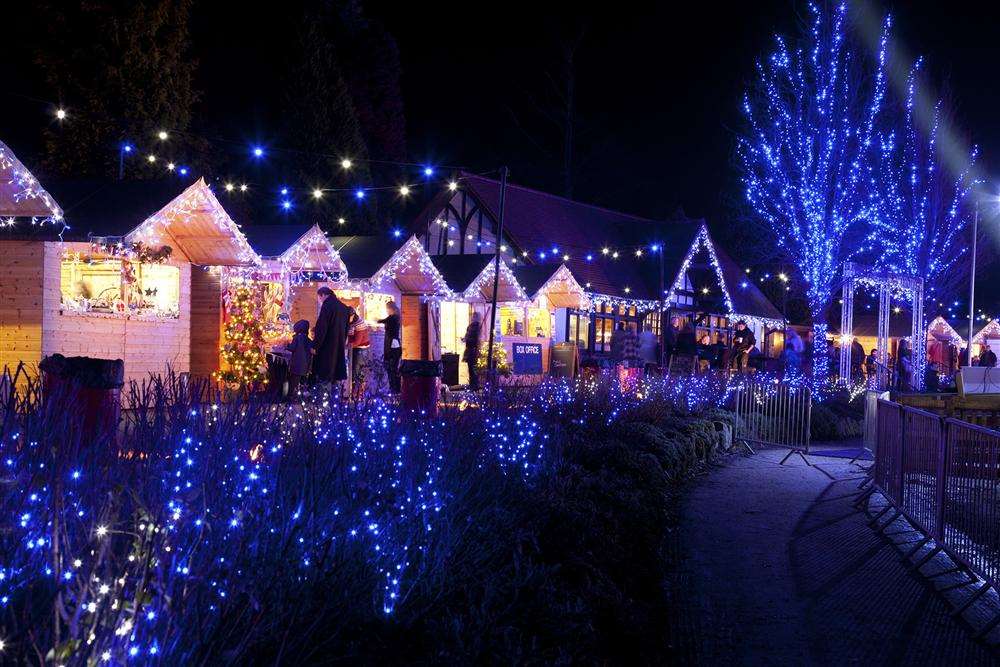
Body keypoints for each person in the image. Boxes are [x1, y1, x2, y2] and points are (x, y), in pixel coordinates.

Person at [312, 286, 351, 391]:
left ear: (323, 295)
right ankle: (335, 401)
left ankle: (323, 401)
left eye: (320, 298)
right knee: (335, 377)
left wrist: (315, 345)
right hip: (339, 345)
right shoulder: (343, 307)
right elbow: (347, 328)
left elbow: (322, 328)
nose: (320, 301)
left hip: (327, 346)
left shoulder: (327, 306)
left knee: (325, 376)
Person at [285, 319, 312, 401]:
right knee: (303, 381)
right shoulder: (308, 340)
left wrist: (287, 346)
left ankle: (290, 396)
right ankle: (304, 396)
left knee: (293, 381)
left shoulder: (297, 338)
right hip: (305, 365)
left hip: (296, 364)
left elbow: (292, 348)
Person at [379, 301, 402, 393]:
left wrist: (376, 320)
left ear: (390, 308)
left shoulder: (393, 317)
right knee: (392, 367)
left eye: (387, 309)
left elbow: (383, 320)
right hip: (392, 344)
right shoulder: (395, 317)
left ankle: (395, 389)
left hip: (392, 344)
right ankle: (394, 389)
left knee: (392, 367)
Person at [347, 309, 371, 400]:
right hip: (355, 349)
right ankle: (354, 393)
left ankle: (358, 395)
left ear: (353, 315)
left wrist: (345, 346)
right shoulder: (351, 322)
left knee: (357, 372)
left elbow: (357, 341)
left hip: (361, 350)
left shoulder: (359, 324)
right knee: (353, 371)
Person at [462, 311, 481, 390]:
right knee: (472, 368)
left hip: (472, 350)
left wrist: (466, 339)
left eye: (473, 316)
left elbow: (474, 339)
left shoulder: (476, 327)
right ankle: (473, 385)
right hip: (471, 349)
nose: (472, 317)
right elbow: (468, 337)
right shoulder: (471, 326)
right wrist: (465, 339)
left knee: (473, 369)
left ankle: (474, 385)